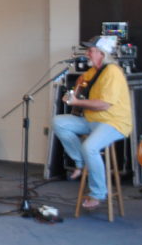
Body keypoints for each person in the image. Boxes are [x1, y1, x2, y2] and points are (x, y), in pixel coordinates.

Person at [51, 35, 132, 210]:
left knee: (90, 147)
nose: (87, 53)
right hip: (92, 120)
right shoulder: (94, 71)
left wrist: (76, 102)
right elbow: (81, 83)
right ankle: (80, 162)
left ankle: (97, 193)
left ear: (101, 53)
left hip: (114, 122)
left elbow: (104, 104)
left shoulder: (112, 72)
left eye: (91, 50)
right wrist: (75, 92)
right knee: (59, 122)